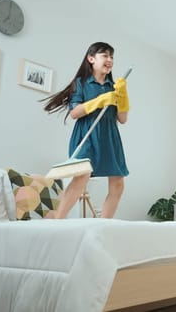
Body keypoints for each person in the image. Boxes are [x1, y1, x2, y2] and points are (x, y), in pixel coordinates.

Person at [42, 42, 130, 219]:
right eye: (105, 55)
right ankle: (57, 220)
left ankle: (103, 224)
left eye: (112, 56)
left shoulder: (114, 87)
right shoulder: (81, 83)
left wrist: (122, 96)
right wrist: (100, 100)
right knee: (82, 177)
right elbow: (74, 113)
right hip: (86, 134)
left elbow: (122, 119)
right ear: (91, 59)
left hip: (109, 137)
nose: (110, 59)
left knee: (118, 183)